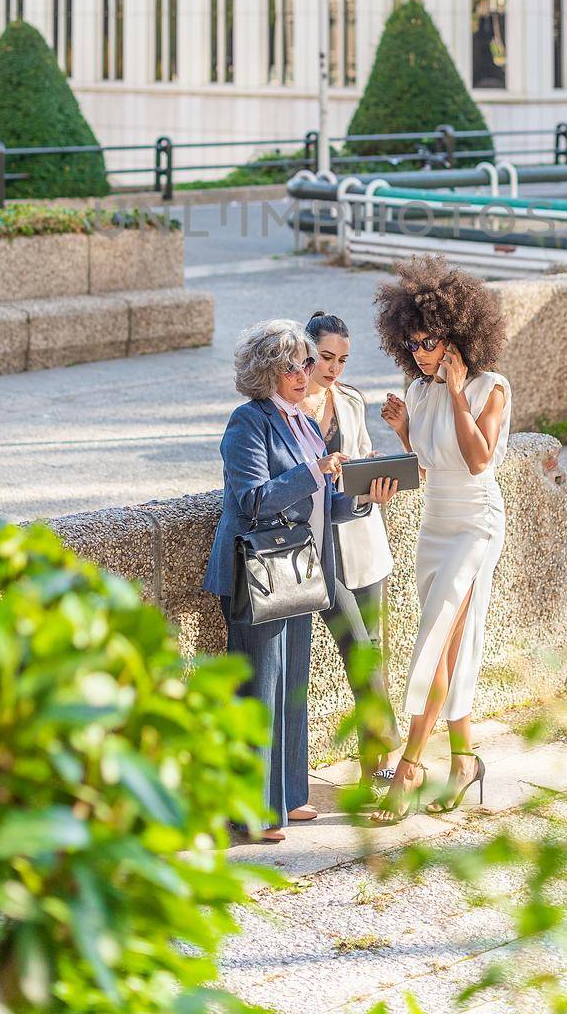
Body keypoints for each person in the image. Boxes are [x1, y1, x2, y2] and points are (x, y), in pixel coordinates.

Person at [203, 318, 389, 842]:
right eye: (293, 366)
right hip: (256, 572)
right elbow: (252, 500)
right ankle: (250, 810)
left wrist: (360, 497)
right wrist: (313, 472)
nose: (304, 373)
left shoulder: (299, 423)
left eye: (306, 363)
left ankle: (286, 797)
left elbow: (321, 504)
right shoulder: (249, 421)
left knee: (290, 686)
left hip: (298, 569)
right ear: (268, 372)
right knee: (259, 687)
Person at [371, 257, 511, 822]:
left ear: (458, 335)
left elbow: (478, 460)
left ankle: (408, 769)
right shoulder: (419, 390)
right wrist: (406, 430)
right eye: (413, 343)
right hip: (435, 526)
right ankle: (463, 761)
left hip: (476, 526)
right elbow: (426, 468)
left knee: (430, 643)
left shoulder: (489, 388)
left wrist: (456, 394)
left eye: (430, 341)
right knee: (447, 646)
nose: (422, 352)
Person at [301, 310, 401, 781]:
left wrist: (370, 471)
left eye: (342, 359)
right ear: (304, 351)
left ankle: (372, 768)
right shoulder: (289, 406)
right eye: (325, 357)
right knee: (357, 645)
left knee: (373, 648)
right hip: (319, 548)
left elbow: (359, 454)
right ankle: (393, 737)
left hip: (362, 534)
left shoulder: (351, 401)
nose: (334, 368)